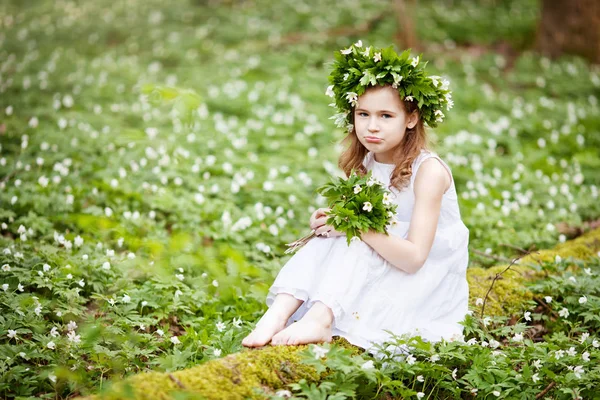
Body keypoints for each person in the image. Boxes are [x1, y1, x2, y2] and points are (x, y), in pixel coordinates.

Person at [242, 42, 469, 352]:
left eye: (386, 115)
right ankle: (278, 312)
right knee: (337, 237)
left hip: (425, 281)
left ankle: (322, 318)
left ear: (412, 118)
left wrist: (353, 226)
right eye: (363, 114)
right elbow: (359, 222)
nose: (371, 126)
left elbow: (415, 258)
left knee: (358, 236)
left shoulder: (427, 172)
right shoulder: (366, 163)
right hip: (384, 264)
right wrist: (332, 219)